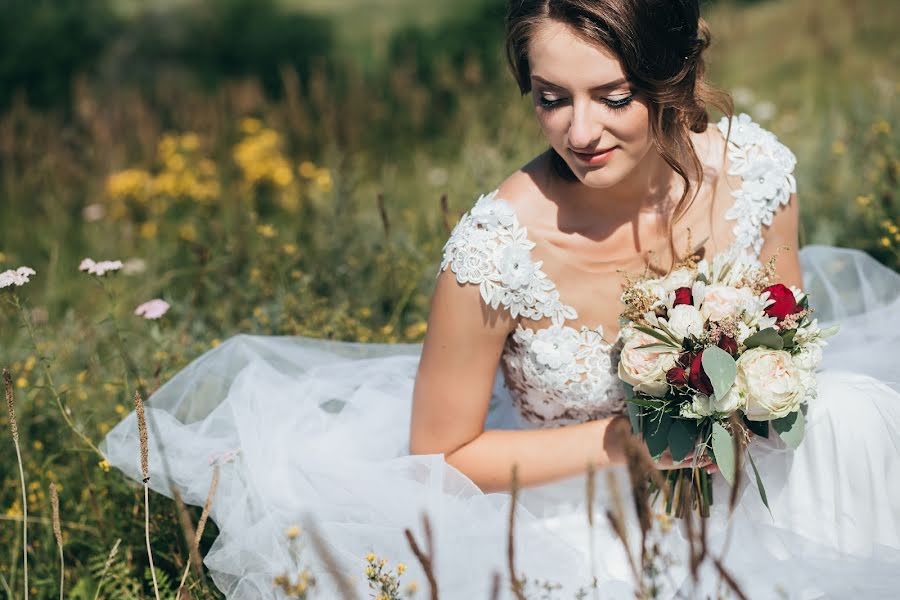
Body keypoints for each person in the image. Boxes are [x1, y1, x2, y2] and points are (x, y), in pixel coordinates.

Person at [101, 1, 900, 598]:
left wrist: (752, 396)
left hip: (750, 474)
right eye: (553, 97)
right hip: (582, 517)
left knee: (853, 415)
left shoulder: (755, 175)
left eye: (611, 96)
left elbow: (785, 338)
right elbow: (441, 457)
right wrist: (628, 444)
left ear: (673, 78)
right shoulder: (495, 250)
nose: (579, 131)